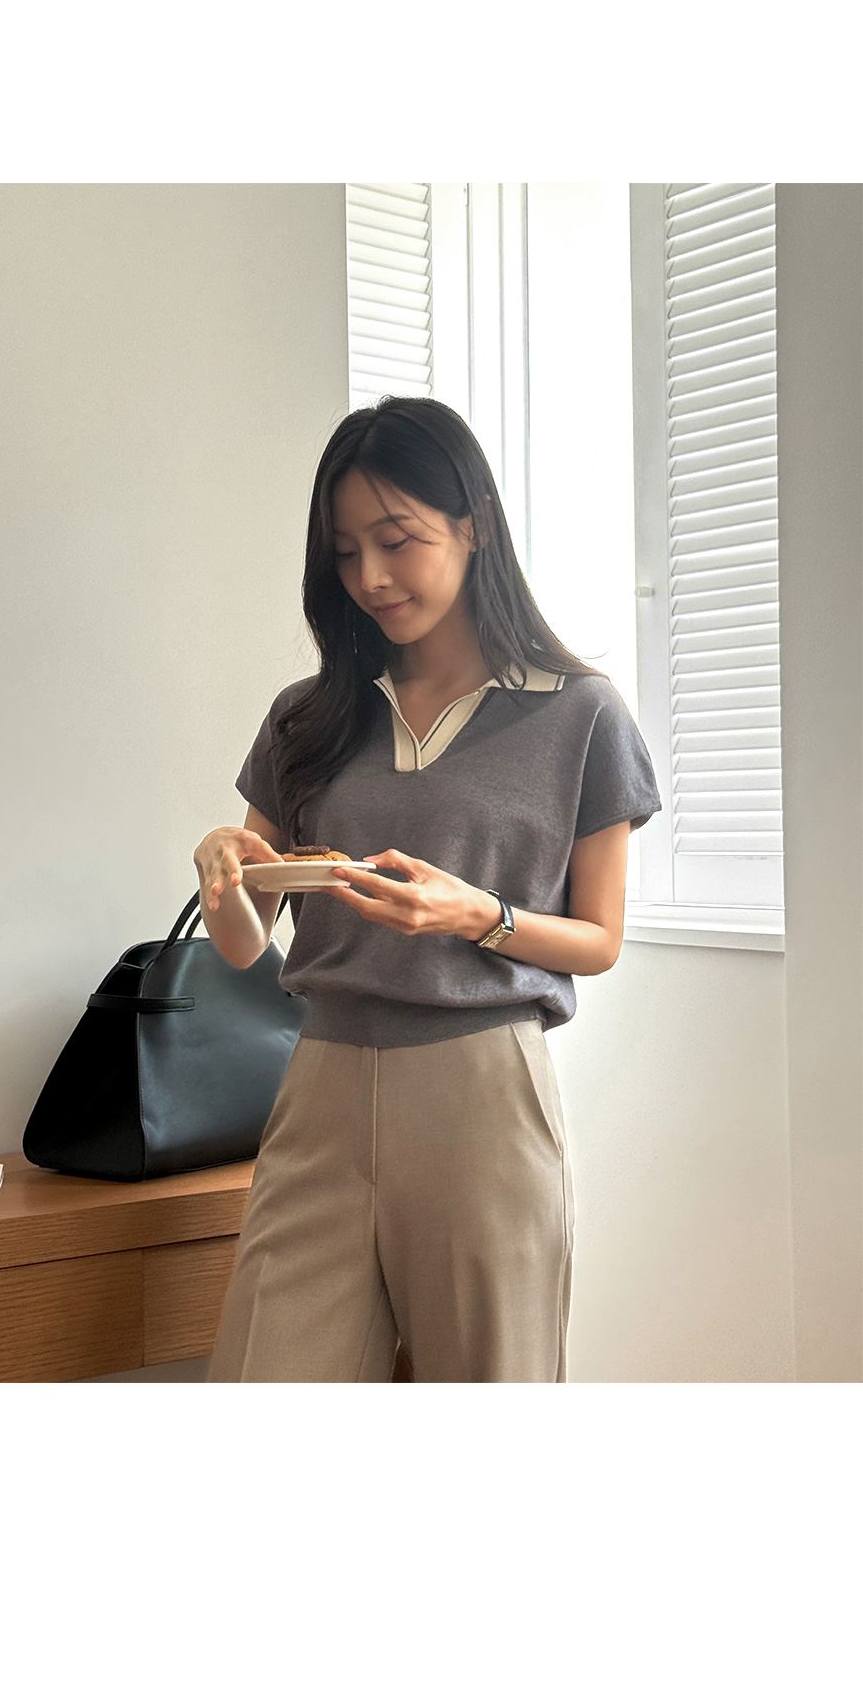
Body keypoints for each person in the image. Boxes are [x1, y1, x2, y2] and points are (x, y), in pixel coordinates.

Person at [195, 391, 661, 1384]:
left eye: (396, 539)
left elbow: (600, 939)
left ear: (474, 522)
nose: (369, 575)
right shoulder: (308, 718)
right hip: (318, 1090)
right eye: (345, 551)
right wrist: (221, 867)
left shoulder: (579, 714)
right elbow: (243, 943)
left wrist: (475, 915)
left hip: (480, 1093)